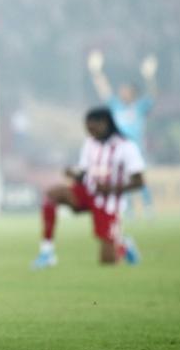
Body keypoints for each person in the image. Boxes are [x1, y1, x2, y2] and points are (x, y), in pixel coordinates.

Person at [31, 107, 144, 269]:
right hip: (87, 192)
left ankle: (123, 246)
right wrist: (73, 173)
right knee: (52, 195)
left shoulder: (126, 146)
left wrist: (111, 188)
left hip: (109, 202)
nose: (90, 132)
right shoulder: (90, 143)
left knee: (108, 261)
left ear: (105, 123)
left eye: (93, 128)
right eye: (88, 129)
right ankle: (47, 252)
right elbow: (84, 173)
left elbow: (139, 182)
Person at [87, 50, 157, 216]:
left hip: (136, 147)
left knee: (138, 176)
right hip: (119, 147)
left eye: (126, 91)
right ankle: (128, 208)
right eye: (122, 91)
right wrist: (97, 72)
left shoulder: (139, 106)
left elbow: (152, 95)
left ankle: (148, 206)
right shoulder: (116, 105)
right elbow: (105, 91)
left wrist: (150, 76)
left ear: (133, 93)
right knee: (122, 178)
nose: (122, 93)